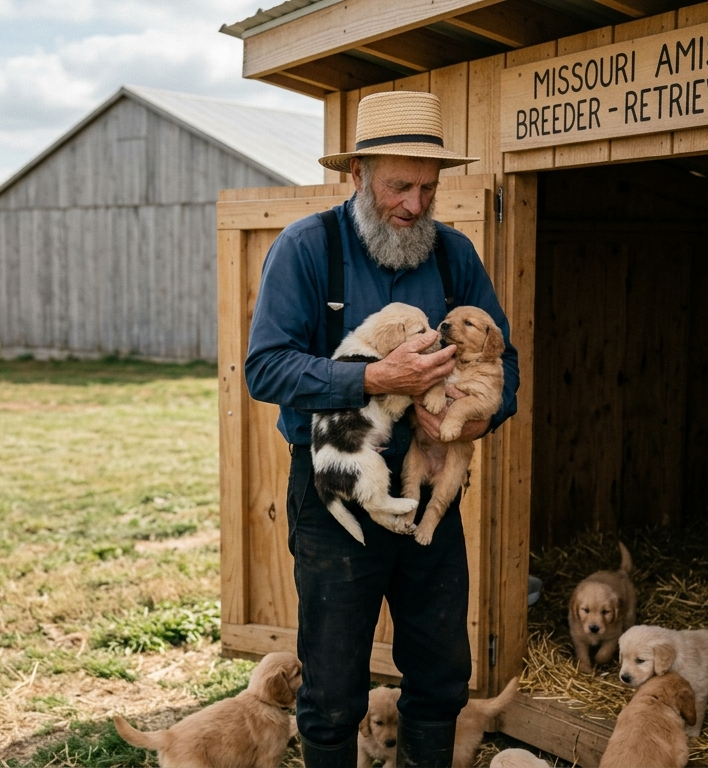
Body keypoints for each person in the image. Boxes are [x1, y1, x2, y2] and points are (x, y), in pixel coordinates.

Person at [244, 91, 519, 768]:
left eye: (428, 188)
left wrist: (477, 415)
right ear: (357, 174)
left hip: (428, 480)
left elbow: (504, 360)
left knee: (442, 672)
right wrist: (373, 379)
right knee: (333, 686)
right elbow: (265, 368)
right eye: (399, 186)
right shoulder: (307, 248)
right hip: (335, 479)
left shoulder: (455, 255)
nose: (416, 205)